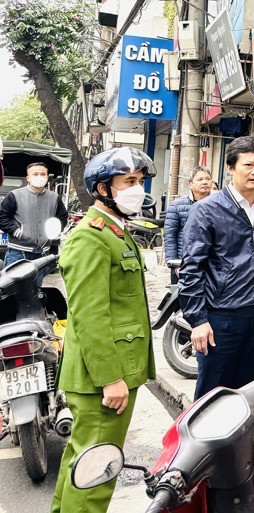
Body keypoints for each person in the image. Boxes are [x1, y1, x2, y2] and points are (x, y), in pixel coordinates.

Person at [51, 147, 157, 513]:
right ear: (102, 189)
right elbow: (89, 314)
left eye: (140, 181)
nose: (137, 189)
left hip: (110, 373)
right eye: (129, 181)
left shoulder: (115, 231)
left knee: (82, 462)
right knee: (96, 473)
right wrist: (111, 378)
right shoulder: (90, 236)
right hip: (102, 378)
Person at [178, 136, 254, 400]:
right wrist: (198, 320)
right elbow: (192, 268)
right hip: (221, 317)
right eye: (248, 164)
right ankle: (203, 441)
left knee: (246, 394)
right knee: (211, 394)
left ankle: (238, 443)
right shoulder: (207, 210)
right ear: (230, 167)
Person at [0, 161, 68, 287]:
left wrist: (54, 230)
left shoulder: (54, 197)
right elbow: (2, 216)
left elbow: (63, 217)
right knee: (10, 293)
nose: (39, 176)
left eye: (43, 174)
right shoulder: (15, 195)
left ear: (47, 177)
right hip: (18, 253)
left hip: (42, 254)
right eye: (35, 174)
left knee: (35, 292)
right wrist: (16, 231)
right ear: (28, 178)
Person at [162, 165, 212, 283]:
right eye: (200, 179)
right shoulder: (177, 205)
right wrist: (174, 264)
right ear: (190, 184)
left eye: (208, 179)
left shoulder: (220, 205)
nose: (205, 182)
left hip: (211, 263)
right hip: (183, 263)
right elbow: (170, 236)